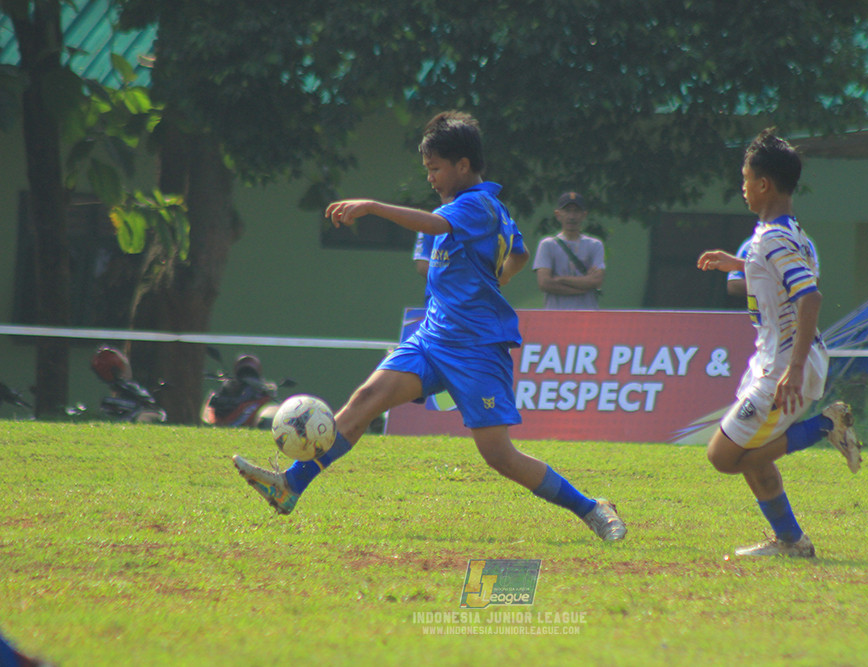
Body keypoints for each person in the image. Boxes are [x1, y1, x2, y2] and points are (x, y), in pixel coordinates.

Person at [233, 111, 626, 541]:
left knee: (499, 456)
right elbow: (519, 252)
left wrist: (373, 207)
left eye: (435, 168)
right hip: (432, 338)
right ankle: (291, 485)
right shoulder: (480, 207)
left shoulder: (477, 204)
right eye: (427, 169)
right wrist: (499, 277)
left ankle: (592, 508)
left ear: (463, 165)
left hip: (477, 349)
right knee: (366, 400)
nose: (431, 178)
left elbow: (443, 226)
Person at [696, 128, 862, 558]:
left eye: (746, 179)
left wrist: (793, 369)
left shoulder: (772, 239)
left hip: (785, 365)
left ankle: (826, 426)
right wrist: (738, 263)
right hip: (774, 359)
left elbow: (810, 298)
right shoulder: (787, 233)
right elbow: (782, 279)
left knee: (723, 456)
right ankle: (791, 542)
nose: (743, 187)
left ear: (764, 184)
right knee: (755, 455)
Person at [532, 192, 605, 309]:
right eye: (567, 211)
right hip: (555, 314)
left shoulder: (595, 245)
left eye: (576, 211)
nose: (572, 216)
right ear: (558, 214)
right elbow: (544, 283)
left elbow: (596, 280)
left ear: (584, 215)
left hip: (587, 314)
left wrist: (560, 279)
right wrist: (583, 285)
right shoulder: (547, 244)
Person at [727, 232, 819, 298]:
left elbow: (812, 284)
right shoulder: (751, 245)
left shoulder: (804, 244)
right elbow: (733, 284)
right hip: (758, 313)